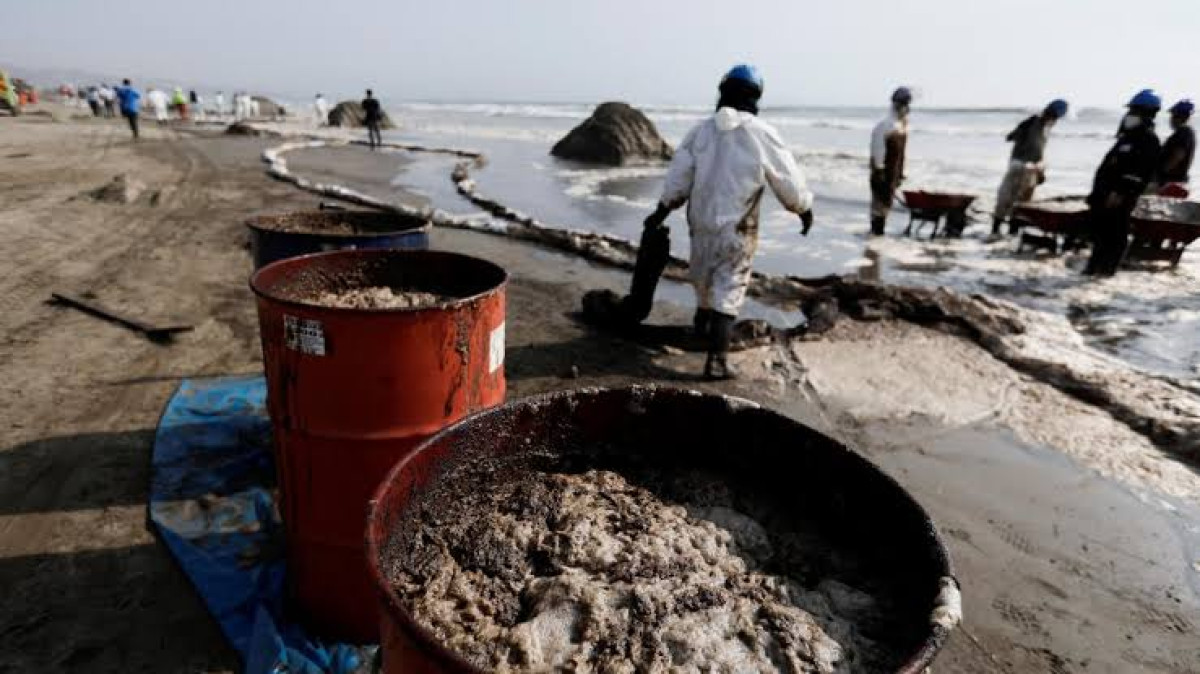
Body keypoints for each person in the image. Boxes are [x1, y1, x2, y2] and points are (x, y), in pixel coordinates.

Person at [643, 65, 814, 380]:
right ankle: (717, 360)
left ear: (723, 91)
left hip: (700, 225)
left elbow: (678, 179)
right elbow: (787, 178)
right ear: (755, 95)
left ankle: (701, 331)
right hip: (738, 228)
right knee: (730, 287)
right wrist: (802, 209)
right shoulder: (761, 132)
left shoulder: (701, 131)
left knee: (703, 280)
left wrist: (661, 212)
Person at [1083, 89, 1162, 276]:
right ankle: (1093, 269)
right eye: (1131, 111)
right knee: (1101, 234)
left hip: (1120, 197)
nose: (1130, 115)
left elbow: (1140, 171)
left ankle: (1107, 272)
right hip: (1106, 195)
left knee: (1115, 234)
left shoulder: (1148, 140)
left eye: (1134, 111)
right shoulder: (1128, 137)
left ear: (1146, 113)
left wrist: (1120, 192)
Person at [993, 99, 1069, 235]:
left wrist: (1041, 170)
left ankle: (1007, 231)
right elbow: (1012, 137)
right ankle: (1000, 230)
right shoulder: (1034, 123)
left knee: (1017, 202)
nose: (1055, 121)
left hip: (1030, 167)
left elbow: (1037, 150)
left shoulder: (1043, 126)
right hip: (1021, 165)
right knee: (1011, 199)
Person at [869, 87, 912, 235]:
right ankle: (876, 233)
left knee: (886, 204)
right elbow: (878, 149)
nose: (906, 107)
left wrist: (900, 173)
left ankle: (877, 233)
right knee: (879, 205)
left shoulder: (902, 126)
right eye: (903, 104)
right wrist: (879, 169)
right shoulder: (885, 125)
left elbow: (901, 154)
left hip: (893, 172)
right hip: (882, 172)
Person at [1158, 99, 1194, 190]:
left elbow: (1178, 155)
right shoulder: (1184, 133)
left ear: (1179, 117)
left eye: (1173, 116)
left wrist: (1161, 172)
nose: (1171, 119)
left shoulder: (1184, 133)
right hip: (1172, 181)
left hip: (1171, 181)